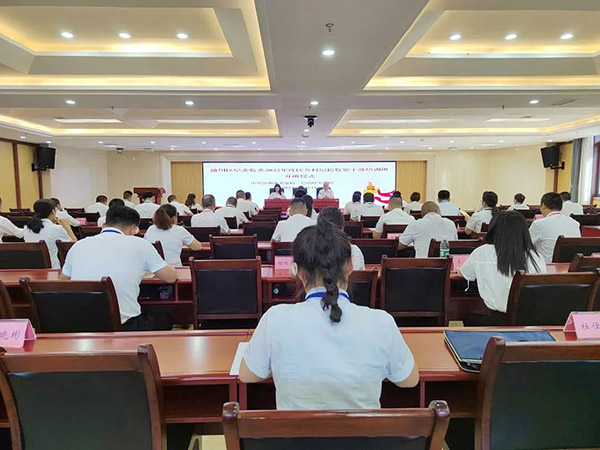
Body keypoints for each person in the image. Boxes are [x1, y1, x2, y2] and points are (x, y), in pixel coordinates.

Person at [240, 220, 418, 410]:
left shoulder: (276, 318)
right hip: (363, 430)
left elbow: (247, 375)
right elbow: (409, 380)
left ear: (297, 271)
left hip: (295, 431)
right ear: (350, 265)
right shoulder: (381, 322)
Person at [62, 206, 177, 331]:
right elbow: (170, 277)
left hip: (80, 324)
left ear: (104, 225)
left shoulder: (78, 245)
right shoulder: (140, 244)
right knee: (165, 318)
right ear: (134, 229)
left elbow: (63, 280)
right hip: (123, 325)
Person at [459, 211, 547, 325]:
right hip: (531, 322)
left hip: (498, 322)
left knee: (468, 316)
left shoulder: (482, 252)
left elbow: (465, 274)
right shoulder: (536, 256)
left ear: (493, 229)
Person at [529, 192, 581, 263]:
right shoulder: (575, 223)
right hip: (569, 266)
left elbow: (524, 245)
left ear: (543, 205)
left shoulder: (539, 224)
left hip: (547, 267)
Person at [23, 199, 74, 269]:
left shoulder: (27, 229)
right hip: (53, 269)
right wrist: (66, 226)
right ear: (53, 211)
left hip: (33, 270)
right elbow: (72, 247)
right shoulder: (56, 229)